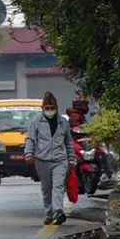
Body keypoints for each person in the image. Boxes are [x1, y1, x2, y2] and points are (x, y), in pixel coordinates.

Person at [24, 91, 76, 225]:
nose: (49, 111)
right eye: (47, 108)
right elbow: (30, 139)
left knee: (58, 186)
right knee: (47, 188)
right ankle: (49, 212)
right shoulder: (36, 121)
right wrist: (28, 154)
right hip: (42, 160)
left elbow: (68, 143)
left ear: (56, 108)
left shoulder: (63, 122)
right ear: (42, 108)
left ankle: (58, 211)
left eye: (52, 108)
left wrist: (71, 160)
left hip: (60, 160)